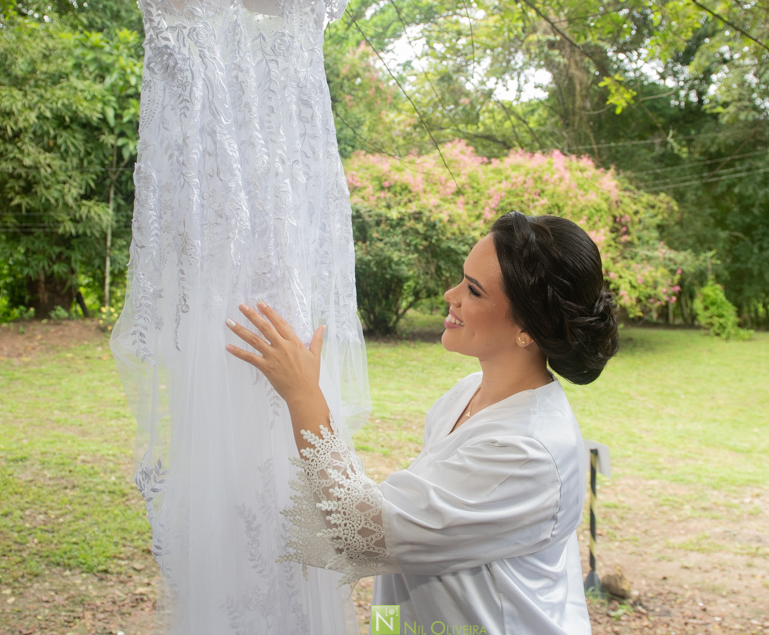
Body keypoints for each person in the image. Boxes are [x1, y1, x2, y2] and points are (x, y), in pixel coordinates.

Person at [225, 210, 620, 635]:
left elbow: (365, 533)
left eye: (473, 290)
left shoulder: (528, 451)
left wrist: (303, 394)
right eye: (461, 279)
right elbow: (409, 557)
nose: (451, 294)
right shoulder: (466, 393)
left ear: (527, 328)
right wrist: (385, 630)